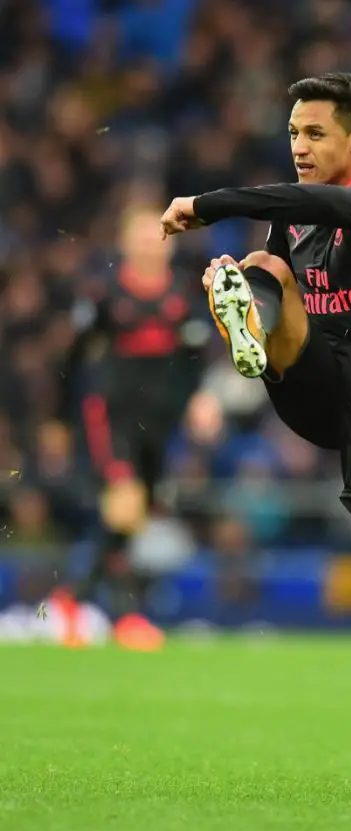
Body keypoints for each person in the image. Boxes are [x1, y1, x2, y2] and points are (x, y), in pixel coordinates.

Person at [161, 72, 351, 799]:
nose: (300, 147)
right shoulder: (298, 215)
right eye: (293, 133)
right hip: (315, 377)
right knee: (264, 264)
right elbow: (294, 215)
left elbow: (316, 202)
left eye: (315, 133)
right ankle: (248, 327)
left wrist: (209, 205)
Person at [58, 204, 212, 650]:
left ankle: (71, 600)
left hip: (158, 423)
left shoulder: (182, 295)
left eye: (156, 237)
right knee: (125, 507)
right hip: (111, 416)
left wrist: (201, 398)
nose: (150, 245)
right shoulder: (105, 293)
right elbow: (73, 357)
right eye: (141, 237)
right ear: (125, 243)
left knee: (131, 519)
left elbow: (196, 356)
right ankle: (125, 616)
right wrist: (58, 420)